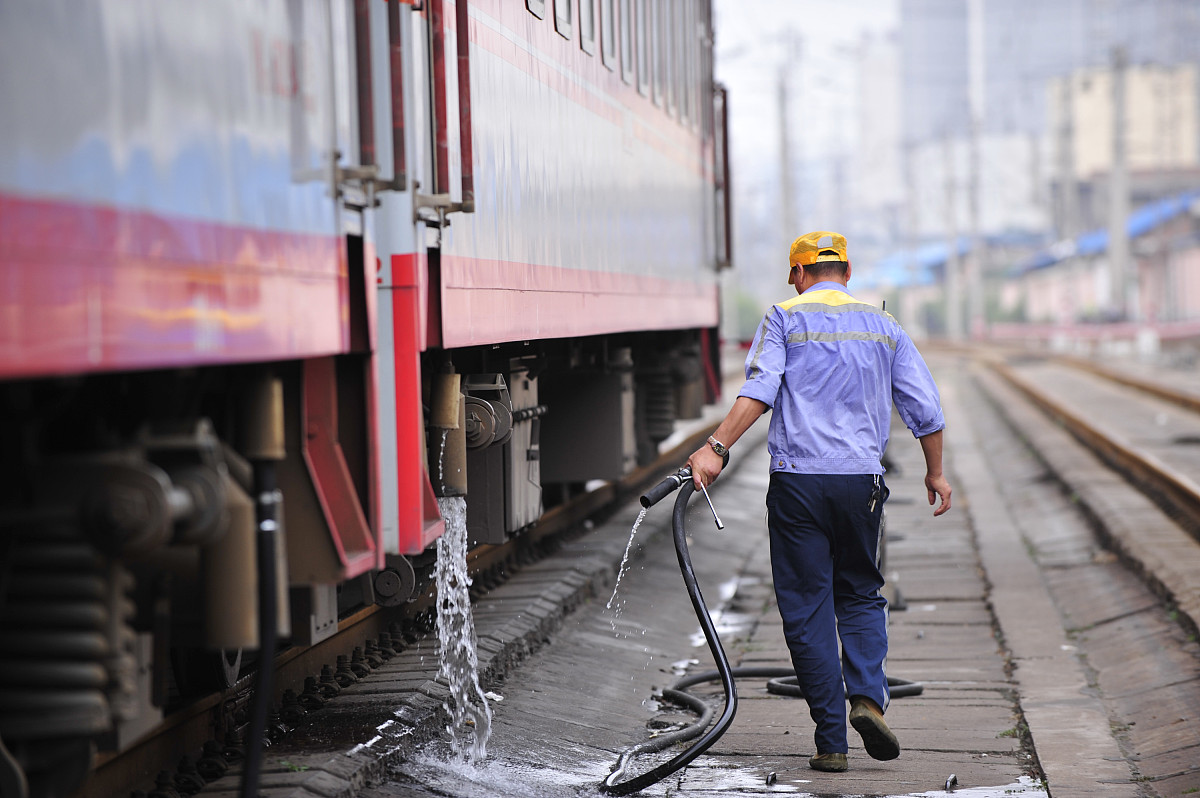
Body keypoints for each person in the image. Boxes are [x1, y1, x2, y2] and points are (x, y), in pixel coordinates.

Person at [687, 230, 952, 773]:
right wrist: (936, 473)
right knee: (860, 591)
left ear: (798, 275)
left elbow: (759, 391)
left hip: (798, 484)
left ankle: (832, 741)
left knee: (807, 607)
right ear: (848, 273)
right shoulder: (883, 325)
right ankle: (869, 700)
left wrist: (716, 448)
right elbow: (925, 406)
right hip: (861, 484)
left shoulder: (784, 318)